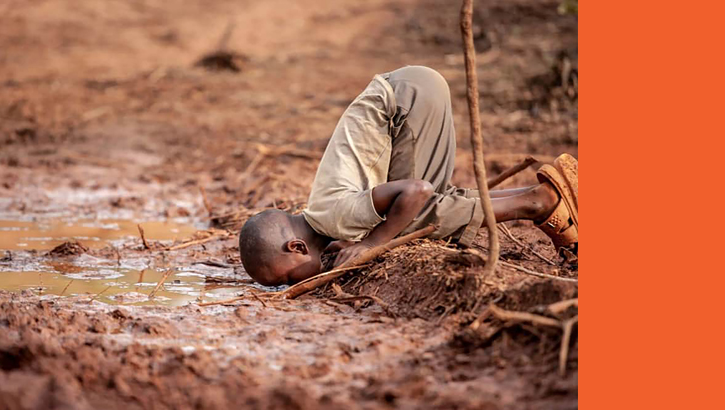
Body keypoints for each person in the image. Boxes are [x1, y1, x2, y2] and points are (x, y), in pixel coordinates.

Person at [238, 66, 578, 286]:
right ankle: (549, 192)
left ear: (296, 247)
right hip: (410, 89)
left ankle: (540, 203)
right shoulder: (326, 216)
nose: (290, 285)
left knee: (415, 217)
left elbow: (416, 190)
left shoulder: (335, 218)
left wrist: (372, 243)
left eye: (284, 279)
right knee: (422, 208)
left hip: (405, 103)